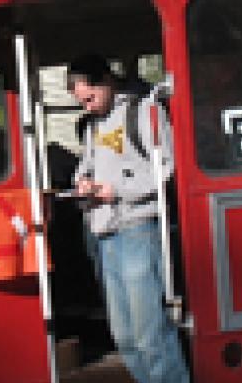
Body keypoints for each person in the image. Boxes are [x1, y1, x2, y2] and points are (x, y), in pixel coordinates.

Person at [68, 53, 189, 383]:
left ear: (106, 82)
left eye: (90, 98)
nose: (88, 107)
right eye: (82, 101)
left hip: (139, 228)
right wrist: (83, 183)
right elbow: (86, 166)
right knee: (125, 338)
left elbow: (165, 169)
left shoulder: (143, 111)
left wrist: (116, 190)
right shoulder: (94, 124)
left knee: (151, 334)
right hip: (106, 233)